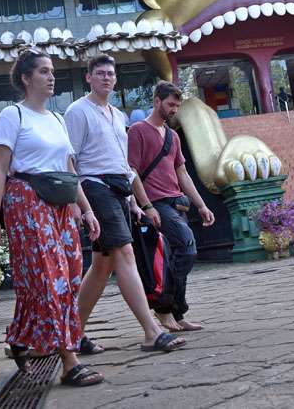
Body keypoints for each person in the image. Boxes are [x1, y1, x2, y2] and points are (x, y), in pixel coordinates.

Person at [0, 49, 104, 387]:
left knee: (70, 275)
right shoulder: (13, 116)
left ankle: (21, 338)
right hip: (26, 202)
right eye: (43, 72)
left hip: (62, 204)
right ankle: (69, 359)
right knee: (52, 280)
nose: (51, 77)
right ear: (25, 78)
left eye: (52, 71)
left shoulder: (56, 119)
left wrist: (87, 208)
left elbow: (68, 168)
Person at [66, 55, 186, 354]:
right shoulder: (77, 111)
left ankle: (72, 333)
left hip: (119, 190)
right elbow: (70, 160)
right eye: (100, 73)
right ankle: (151, 330)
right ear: (89, 78)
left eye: (111, 73)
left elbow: (124, 165)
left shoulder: (118, 115)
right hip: (94, 186)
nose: (106, 78)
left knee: (102, 264)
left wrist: (136, 202)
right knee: (125, 253)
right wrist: (81, 204)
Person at [127, 81, 215, 333]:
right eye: (170, 104)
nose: (174, 109)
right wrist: (145, 206)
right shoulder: (138, 131)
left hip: (177, 203)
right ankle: (164, 308)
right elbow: (130, 170)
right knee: (186, 249)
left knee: (179, 254)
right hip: (155, 203)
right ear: (156, 101)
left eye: (177, 105)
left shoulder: (173, 136)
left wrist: (201, 205)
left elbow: (182, 172)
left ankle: (174, 312)